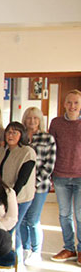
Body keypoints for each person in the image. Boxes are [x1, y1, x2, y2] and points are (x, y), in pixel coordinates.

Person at [0, 122, 36, 265]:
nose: (10, 135)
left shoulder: (27, 152)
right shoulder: (1, 150)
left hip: (20, 197)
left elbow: (22, 179)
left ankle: (13, 262)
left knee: (12, 229)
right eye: (8, 132)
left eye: (15, 132)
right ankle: (11, 261)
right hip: (3, 196)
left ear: (21, 135)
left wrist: (10, 198)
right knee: (9, 229)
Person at [20, 107, 56, 265]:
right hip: (22, 186)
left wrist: (34, 183)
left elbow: (49, 165)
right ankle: (25, 248)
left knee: (33, 219)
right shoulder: (20, 137)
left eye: (35, 118)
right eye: (29, 118)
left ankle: (36, 251)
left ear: (40, 120)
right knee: (21, 219)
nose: (32, 121)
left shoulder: (47, 138)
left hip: (39, 186)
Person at [49, 90, 81, 263]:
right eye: (69, 102)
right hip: (61, 175)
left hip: (80, 176)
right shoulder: (56, 123)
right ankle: (69, 248)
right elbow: (50, 148)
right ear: (64, 104)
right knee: (64, 214)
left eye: (76, 103)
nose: (72, 106)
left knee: (80, 214)